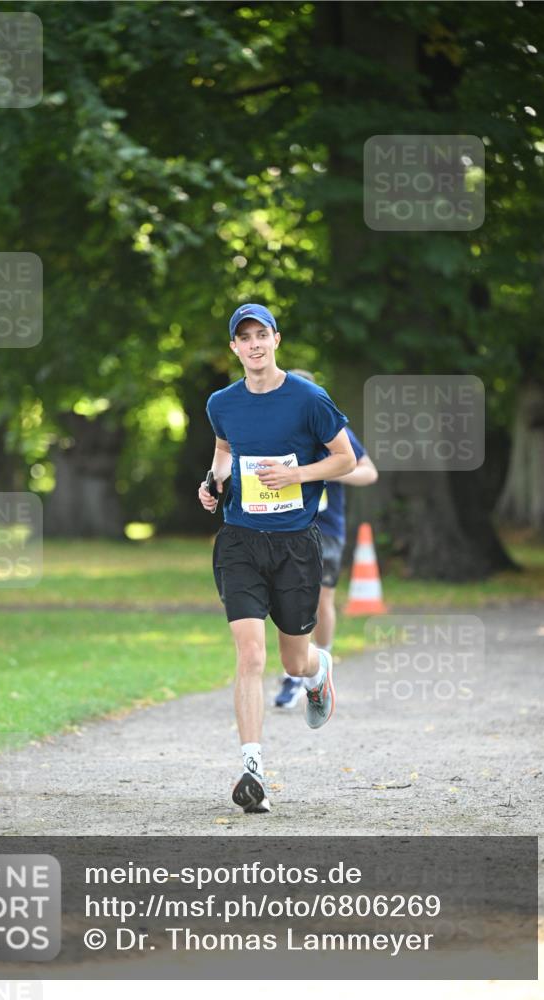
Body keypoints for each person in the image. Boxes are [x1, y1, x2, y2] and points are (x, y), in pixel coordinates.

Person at [197, 304, 356, 813]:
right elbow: (224, 450)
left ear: (276, 339)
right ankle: (252, 769)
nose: (254, 344)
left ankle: (316, 670)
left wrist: (298, 476)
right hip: (240, 539)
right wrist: (213, 482)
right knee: (250, 654)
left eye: (261, 334)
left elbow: (345, 458)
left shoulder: (309, 399)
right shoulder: (222, 402)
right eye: (244, 338)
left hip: (295, 544)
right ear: (235, 349)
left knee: (292, 657)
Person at [275, 371, 379, 709]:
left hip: (327, 528)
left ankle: (321, 663)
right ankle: (295, 673)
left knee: (321, 599)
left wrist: (332, 469)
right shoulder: (275, 430)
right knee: (289, 599)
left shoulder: (331, 429)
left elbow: (368, 471)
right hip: (286, 526)